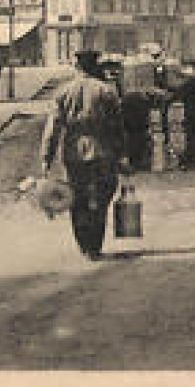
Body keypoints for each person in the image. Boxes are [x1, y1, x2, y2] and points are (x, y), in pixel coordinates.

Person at [40, 49, 129, 260]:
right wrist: (122, 155)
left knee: (77, 197)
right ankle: (95, 245)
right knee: (103, 194)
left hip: (73, 153)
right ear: (95, 66)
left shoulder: (63, 92)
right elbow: (117, 127)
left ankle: (83, 243)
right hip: (102, 151)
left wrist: (46, 158)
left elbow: (53, 129)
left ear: (77, 67)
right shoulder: (106, 91)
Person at [114, 60, 153, 172]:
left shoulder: (126, 96)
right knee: (139, 140)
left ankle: (134, 162)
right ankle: (139, 162)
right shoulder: (142, 96)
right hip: (138, 122)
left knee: (131, 141)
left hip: (130, 121)